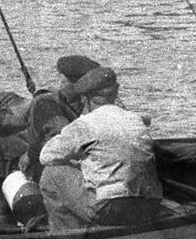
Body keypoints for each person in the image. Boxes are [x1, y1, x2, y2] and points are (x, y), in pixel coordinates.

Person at [32, 57, 163, 230]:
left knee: (51, 174)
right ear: (115, 92)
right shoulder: (137, 120)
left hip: (109, 209)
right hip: (149, 206)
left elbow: (46, 156)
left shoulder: (85, 124)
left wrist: (78, 160)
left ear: (85, 98)